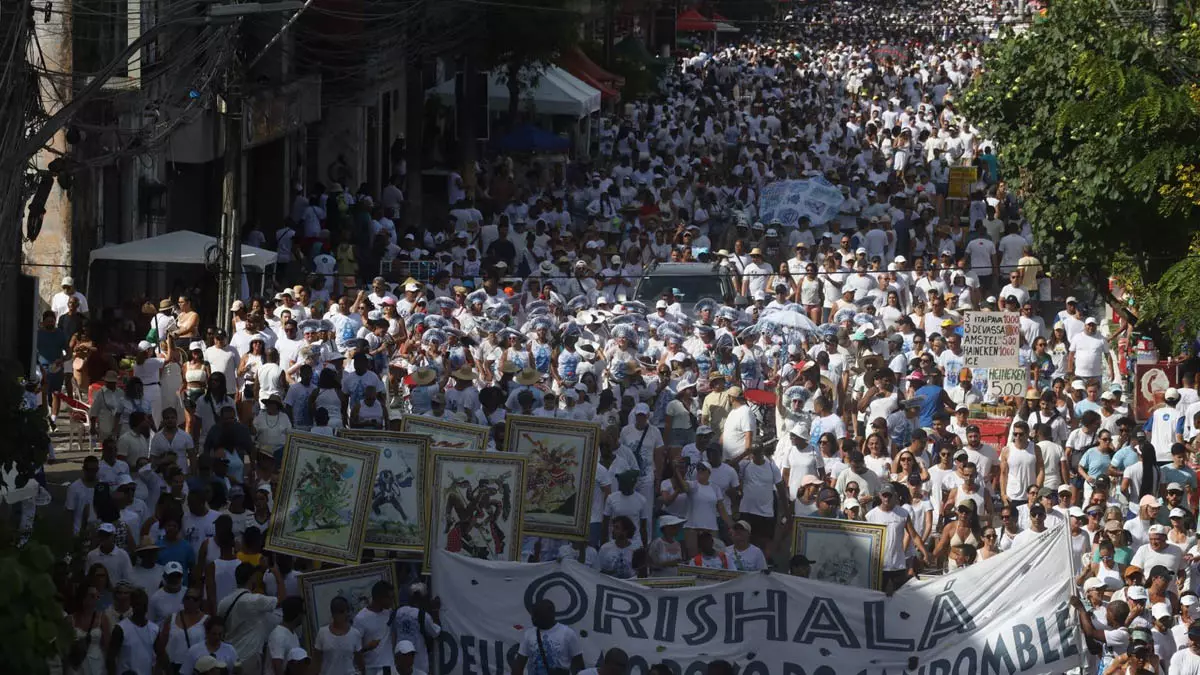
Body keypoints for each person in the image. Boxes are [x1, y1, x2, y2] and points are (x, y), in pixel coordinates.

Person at [215, 562, 286, 675]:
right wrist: (278, 576)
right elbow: (281, 599)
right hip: (249, 657)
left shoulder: (223, 602)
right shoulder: (254, 600)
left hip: (228, 656)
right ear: (251, 578)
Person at [867, 482, 930, 591]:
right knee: (877, 595)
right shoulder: (871, 515)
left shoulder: (903, 514)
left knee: (900, 596)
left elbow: (913, 535)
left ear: (895, 495)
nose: (886, 498)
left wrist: (925, 553)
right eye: (884, 495)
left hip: (898, 564)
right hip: (878, 567)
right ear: (880, 496)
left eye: (889, 495)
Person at [512, 599, 585, 675]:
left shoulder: (567, 633)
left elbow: (578, 663)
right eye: (533, 616)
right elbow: (519, 664)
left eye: (538, 616)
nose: (533, 619)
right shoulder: (529, 634)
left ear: (550, 615)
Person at [106, 588, 159, 675]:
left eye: (144, 605)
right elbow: (110, 659)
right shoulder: (120, 629)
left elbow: (162, 655)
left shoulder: (154, 629)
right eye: (138, 604)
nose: (142, 608)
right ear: (132, 605)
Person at [314, 596, 364, 675]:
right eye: (336, 612)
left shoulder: (355, 634)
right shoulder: (322, 633)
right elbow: (316, 661)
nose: (340, 615)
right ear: (332, 613)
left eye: (342, 611)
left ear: (347, 612)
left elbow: (360, 661)